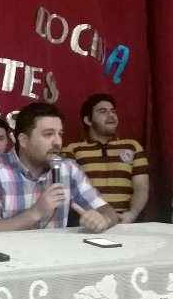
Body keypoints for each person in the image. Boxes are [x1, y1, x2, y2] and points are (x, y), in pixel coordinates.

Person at [0, 102, 120, 233]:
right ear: (23, 140)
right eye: (48, 134)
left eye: (60, 134)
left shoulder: (68, 169)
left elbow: (108, 211)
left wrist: (103, 220)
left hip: (57, 255)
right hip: (6, 256)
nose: (57, 142)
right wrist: (36, 212)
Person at [63, 94, 149, 224]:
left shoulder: (133, 146)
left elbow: (141, 186)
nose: (111, 115)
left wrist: (132, 213)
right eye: (102, 111)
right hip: (88, 223)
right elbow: (68, 191)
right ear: (88, 120)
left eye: (113, 111)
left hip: (125, 222)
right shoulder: (73, 150)